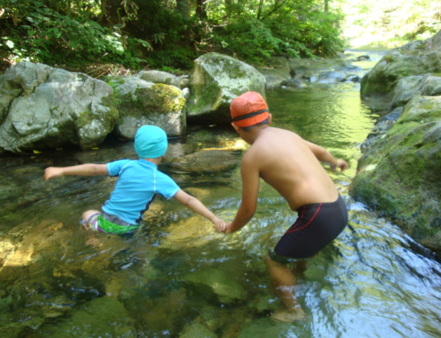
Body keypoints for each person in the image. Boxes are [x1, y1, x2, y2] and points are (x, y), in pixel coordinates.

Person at [215, 91, 348, 322]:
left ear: (236, 128)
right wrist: (335, 162)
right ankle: (298, 280)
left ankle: (294, 311)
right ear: (270, 117)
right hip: (338, 208)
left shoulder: (253, 157)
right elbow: (321, 152)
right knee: (295, 249)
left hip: (317, 216)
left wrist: (231, 227)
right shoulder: (289, 135)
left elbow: (248, 209)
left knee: (273, 260)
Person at [45, 125, 224, 235]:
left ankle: (94, 238)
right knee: (140, 251)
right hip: (127, 229)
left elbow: (93, 168)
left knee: (88, 213)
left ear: (137, 148)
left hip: (105, 220)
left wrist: (61, 170)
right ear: (163, 151)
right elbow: (189, 200)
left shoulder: (124, 165)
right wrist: (214, 218)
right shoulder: (158, 178)